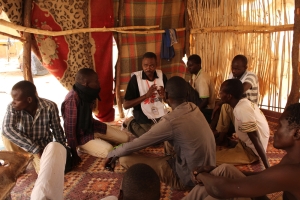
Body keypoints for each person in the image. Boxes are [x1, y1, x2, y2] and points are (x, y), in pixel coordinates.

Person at [105, 76, 216, 190]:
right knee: (170, 139)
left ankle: (175, 176)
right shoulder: (193, 107)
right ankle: (172, 163)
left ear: (166, 95)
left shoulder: (170, 121)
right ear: (187, 93)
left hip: (189, 179)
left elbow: (137, 144)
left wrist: (113, 153)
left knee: (124, 158)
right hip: (208, 169)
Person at [183, 103, 300, 200]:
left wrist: (201, 175)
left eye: (279, 126)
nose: (274, 130)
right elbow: (264, 177)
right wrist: (213, 171)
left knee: (220, 194)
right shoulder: (291, 159)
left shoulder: (293, 171)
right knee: (225, 169)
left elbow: (221, 189)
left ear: (297, 133)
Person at [61, 68, 130, 166]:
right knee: (109, 150)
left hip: (91, 127)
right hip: (81, 136)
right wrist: (73, 151)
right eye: (96, 81)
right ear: (86, 83)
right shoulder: (72, 99)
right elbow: (70, 129)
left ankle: (98, 140)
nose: (98, 83)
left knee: (125, 138)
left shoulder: (88, 93)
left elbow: (88, 118)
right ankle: (83, 147)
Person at [1, 80, 67, 174]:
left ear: (29, 100)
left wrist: (63, 149)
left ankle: (34, 161)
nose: (13, 102)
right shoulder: (12, 107)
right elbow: (7, 129)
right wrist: (34, 148)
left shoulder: (49, 106)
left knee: (46, 173)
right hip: (23, 145)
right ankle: (19, 163)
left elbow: (57, 129)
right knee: (6, 135)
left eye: (16, 100)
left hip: (41, 146)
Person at [215, 79, 270, 169]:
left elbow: (256, 139)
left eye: (221, 92)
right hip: (244, 143)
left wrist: (267, 167)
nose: (219, 95)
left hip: (251, 151)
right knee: (226, 107)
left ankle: (241, 151)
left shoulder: (242, 109)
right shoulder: (241, 103)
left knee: (210, 158)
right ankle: (222, 138)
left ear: (229, 96)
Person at [212, 54, 259, 145]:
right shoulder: (233, 76)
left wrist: (220, 102)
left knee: (224, 104)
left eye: (237, 69)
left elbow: (240, 90)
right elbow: (227, 92)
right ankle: (219, 133)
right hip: (238, 108)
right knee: (224, 105)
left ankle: (220, 135)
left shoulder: (251, 76)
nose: (234, 71)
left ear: (245, 67)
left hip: (249, 112)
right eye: (232, 68)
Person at [122, 52, 168, 137]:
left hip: (158, 111)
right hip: (142, 114)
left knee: (167, 133)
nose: (148, 68)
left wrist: (164, 96)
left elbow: (167, 100)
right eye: (145, 65)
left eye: (151, 65)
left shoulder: (161, 76)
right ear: (142, 65)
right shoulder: (136, 78)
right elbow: (125, 105)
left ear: (156, 65)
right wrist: (146, 96)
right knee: (150, 138)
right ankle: (130, 122)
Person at [186, 54, 215, 123]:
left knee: (186, 86)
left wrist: (196, 111)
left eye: (191, 65)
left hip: (207, 109)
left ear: (198, 65)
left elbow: (205, 101)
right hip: (200, 102)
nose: (188, 68)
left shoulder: (202, 79)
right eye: (188, 65)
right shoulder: (195, 75)